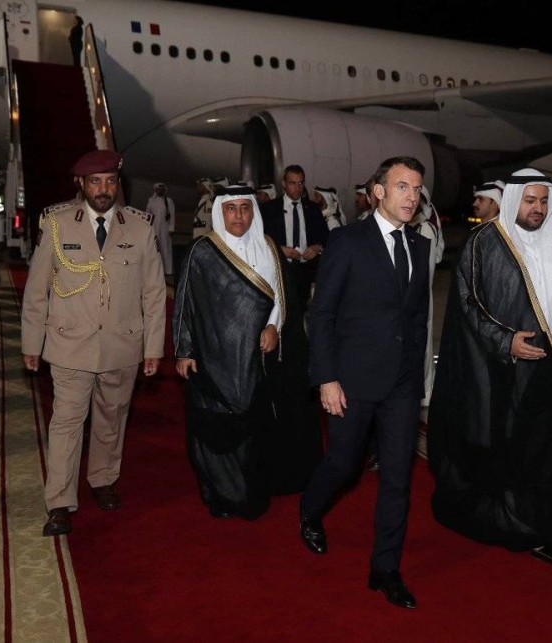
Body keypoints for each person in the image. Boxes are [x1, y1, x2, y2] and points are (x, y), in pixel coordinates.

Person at [427, 168, 552, 571]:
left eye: (544, 201)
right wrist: (506, 341)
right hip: (498, 370)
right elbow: (468, 304)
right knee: (511, 450)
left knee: (546, 452)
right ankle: (527, 523)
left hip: (548, 368)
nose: (538, 208)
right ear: (513, 200)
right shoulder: (484, 242)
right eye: (530, 200)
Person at [299, 156, 430, 610]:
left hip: (402, 384)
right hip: (352, 379)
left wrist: (418, 380)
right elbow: (323, 314)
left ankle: (385, 569)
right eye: (402, 186)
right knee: (344, 463)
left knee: (397, 478)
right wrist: (326, 378)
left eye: (417, 188)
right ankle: (310, 510)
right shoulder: (347, 241)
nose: (411, 196)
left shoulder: (421, 246)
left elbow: (416, 320)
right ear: (378, 191)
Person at [21, 150, 166, 537]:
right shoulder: (56, 224)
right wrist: (32, 342)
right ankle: (59, 502)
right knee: (66, 423)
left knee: (111, 419)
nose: (103, 189)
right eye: (95, 182)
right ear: (81, 184)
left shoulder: (140, 228)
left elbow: (154, 294)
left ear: (118, 184)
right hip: (70, 344)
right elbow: (36, 290)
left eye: (110, 181)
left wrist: (153, 348)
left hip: (122, 344)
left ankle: (102, 479)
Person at [173, 186, 286, 518]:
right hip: (211, 357)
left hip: (253, 359)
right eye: (231, 208)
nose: (239, 215)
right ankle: (221, 496)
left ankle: (249, 493)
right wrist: (184, 350)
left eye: (245, 208)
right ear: (220, 212)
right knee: (213, 427)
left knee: (252, 425)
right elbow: (185, 302)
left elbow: (279, 296)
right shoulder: (202, 251)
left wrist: (273, 327)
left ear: (254, 212)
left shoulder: (268, 247)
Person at [261, 164, 329, 308]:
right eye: (292, 183)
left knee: (300, 311)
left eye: (300, 183)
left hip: (304, 272)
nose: (297, 188)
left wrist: (317, 248)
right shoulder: (269, 209)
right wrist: (279, 249)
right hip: (279, 270)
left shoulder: (312, 209)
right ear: (284, 184)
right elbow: (260, 239)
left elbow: (327, 238)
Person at [412, 186, 444, 406]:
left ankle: (425, 393)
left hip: (420, 297)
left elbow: (427, 271)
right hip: (412, 298)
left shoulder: (425, 229)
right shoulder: (412, 226)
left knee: (423, 347)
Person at [146, 182, 177, 276]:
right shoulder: (151, 201)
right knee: (155, 249)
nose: (161, 191)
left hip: (165, 229)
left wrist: (171, 228)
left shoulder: (169, 201)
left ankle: (168, 270)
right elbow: (148, 215)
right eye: (159, 189)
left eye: (162, 189)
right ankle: (157, 270)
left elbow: (172, 215)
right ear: (155, 190)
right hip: (154, 229)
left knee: (166, 249)